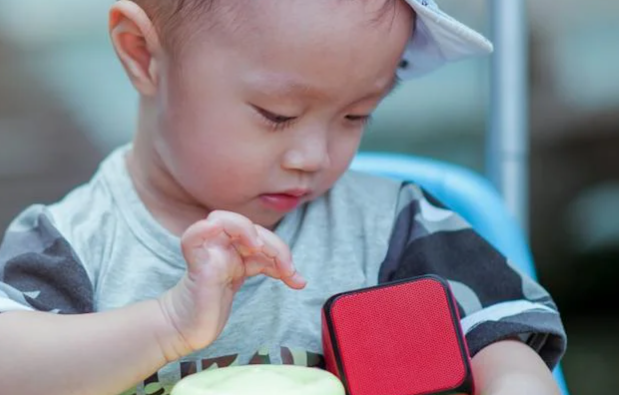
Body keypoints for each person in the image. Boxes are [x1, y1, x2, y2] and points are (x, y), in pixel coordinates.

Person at [0, 0, 566, 394]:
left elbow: (502, 335)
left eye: (355, 115)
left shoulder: (394, 228)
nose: (313, 155)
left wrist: (511, 379)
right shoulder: (71, 245)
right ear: (143, 55)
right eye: (279, 115)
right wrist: (168, 324)